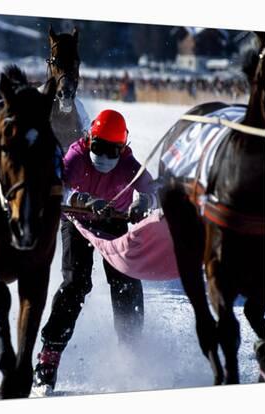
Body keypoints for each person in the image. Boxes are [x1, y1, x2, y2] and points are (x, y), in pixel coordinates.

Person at [34, 109, 157, 392]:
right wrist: (81, 199)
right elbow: (58, 187)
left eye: (111, 150)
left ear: (123, 148)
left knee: (125, 280)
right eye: (98, 147)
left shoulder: (129, 165)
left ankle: (132, 351)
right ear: (90, 140)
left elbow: (153, 188)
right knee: (77, 283)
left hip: (114, 222)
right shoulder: (76, 156)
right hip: (76, 222)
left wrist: (144, 201)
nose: (103, 156)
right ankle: (48, 357)